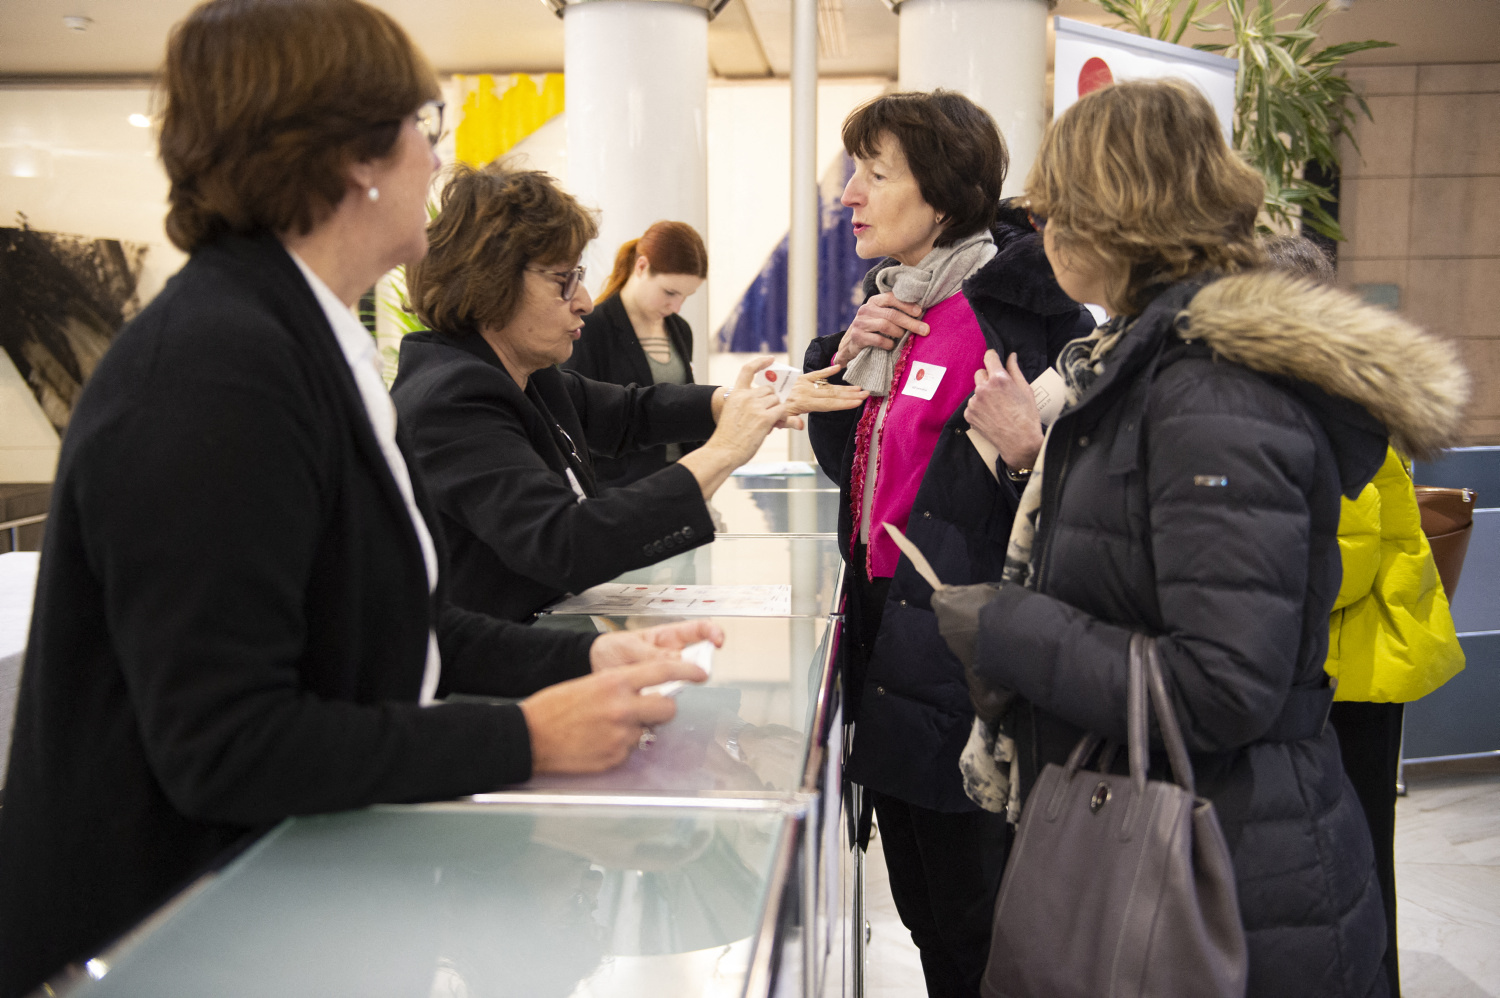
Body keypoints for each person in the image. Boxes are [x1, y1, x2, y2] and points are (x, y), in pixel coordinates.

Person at [0, 3, 717, 993]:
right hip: (169, 938)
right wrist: (527, 733)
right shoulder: (217, 369)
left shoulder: (292, 336)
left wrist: (586, 652)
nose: (437, 158)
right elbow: (228, 742)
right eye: (425, 125)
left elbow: (391, 625)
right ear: (351, 155)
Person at [963, 80, 1468, 997]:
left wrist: (1013, 629)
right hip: (1197, 845)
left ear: (1114, 215)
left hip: (1222, 878)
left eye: (1055, 208)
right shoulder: (1158, 362)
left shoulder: (1212, 389)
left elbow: (1222, 686)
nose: (1042, 230)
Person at [802, 90, 1094, 998]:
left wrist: (1025, 453)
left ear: (943, 196)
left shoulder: (1019, 315)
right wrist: (846, 354)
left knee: (985, 924)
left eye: (875, 173)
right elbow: (860, 472)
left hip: (972, 667)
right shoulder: (893, 306)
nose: (850, 194)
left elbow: (1087, 495)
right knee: (929, 916)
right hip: (891, 653)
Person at [392, 164, 865, 623]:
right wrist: (726, 449)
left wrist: (731, 401)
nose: (584, 300)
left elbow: (629, 412)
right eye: (564, 281)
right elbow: (564, 543)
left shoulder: (526, 375)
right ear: (489, 283)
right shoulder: (451, 399)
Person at [1264, 233, 1466, 998]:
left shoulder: (1341, 405)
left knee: (1356, 865)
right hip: (1340, 671)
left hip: (1354, 680)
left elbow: (1340, 566)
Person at [564, 221, 709, 488]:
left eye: (686, 297)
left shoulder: (679, 329)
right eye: (670, 293)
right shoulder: (591, 327)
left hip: (680, 478)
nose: (676, 306)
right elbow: (579, 420)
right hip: (620, 488)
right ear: (641, 267)